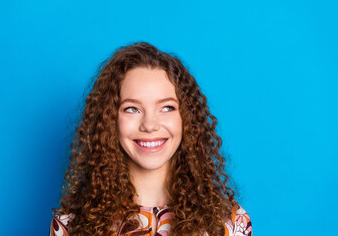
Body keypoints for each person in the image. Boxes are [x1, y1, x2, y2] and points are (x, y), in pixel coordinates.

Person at [50, 42, 252, 236]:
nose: (149, 124)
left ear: (187, 118)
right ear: (110, 119)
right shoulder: (71, 225)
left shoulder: (230, 224)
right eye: (132, 108)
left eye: (166, 108)